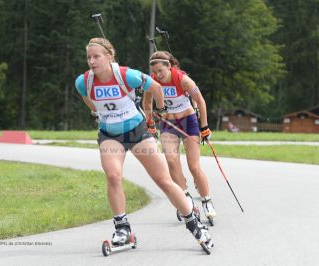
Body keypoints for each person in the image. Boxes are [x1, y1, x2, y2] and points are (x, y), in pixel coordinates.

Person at [75, 38, 212, 249]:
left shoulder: (125, 75)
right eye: (89, 57)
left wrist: (159, 107)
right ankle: (123, 229)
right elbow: (88, 100)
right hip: (110, 134)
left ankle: (194, 223)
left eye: (96, 56)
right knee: (113, 176)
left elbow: (156, 86)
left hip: (137, 132)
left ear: (109, 56)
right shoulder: (83, 81)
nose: (91, 61)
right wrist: (99, 113)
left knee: (163, 180)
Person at [143, 51, 217, 224]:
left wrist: (204, 127)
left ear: (169, 66)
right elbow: (147, 104)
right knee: (171, 161)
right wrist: (150, 122)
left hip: (188, 122)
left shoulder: (182, 80)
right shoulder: (152, 81)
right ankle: (186, 197)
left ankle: (206, 200)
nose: (159, 75)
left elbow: (200, 100)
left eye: (161, 70)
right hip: (168, 125)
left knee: (194, 166)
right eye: (155, 72)